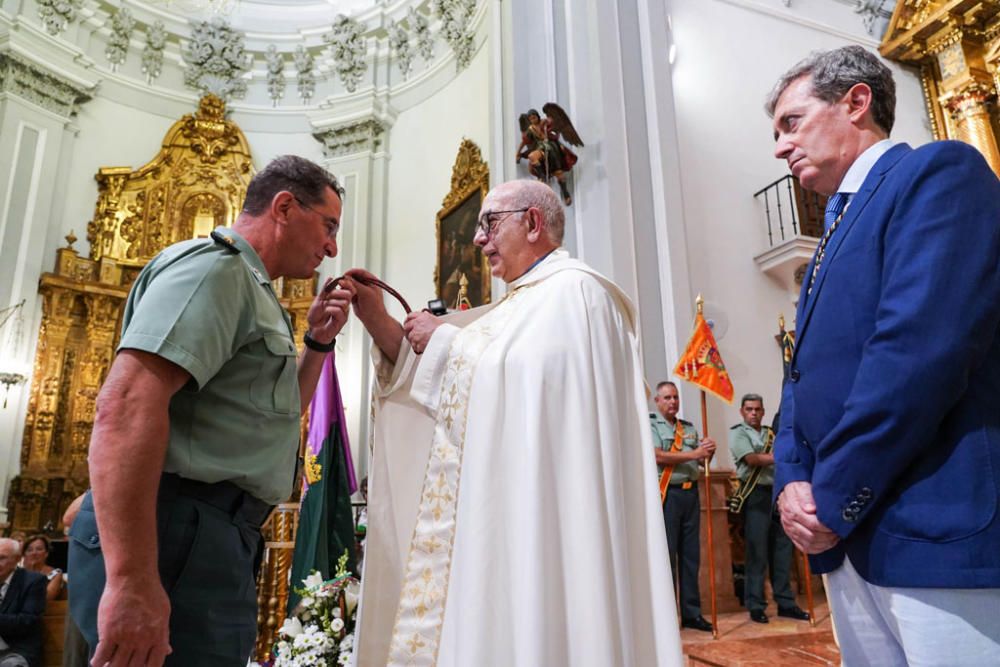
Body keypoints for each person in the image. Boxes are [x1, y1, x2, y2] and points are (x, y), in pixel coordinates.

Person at [345, 179, 682, 665]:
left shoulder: (579, 293)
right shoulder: (521, 304)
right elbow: (467, 375)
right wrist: (380, 318)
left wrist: (445, 341)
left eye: (489, 223)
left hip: (561, 517)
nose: (479, 240)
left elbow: (537, 384)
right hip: (516, 513)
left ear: (533, 223)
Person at [67, 155, 355, 666]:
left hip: (211, 535)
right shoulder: (215, 270)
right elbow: (127, 404)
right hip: (176, 530)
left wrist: (316, 343)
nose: (332, 246)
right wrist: (132, 581)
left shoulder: (250, 285)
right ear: (284, 207)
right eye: (328, 226)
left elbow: (276, 414)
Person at [767, 45, 1000, 664]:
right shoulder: (829, 238)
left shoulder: (939, 174)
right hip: (844, 540)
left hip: (934, 530)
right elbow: (800, 374)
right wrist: (791, 481)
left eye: (791, 122)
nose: (780, 147)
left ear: (857, 101)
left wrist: (833, 495)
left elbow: (919, 355)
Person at [728, 394, 808, 623]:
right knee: (757, 553)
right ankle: (756, 605)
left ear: (763, 412)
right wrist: (778, 456)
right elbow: (752, 459)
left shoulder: (771, 433)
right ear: (743, 412)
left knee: (782, 551)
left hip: (776, 493)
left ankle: (785, 602)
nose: (754, 413)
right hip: (755, 495)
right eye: (749, 409)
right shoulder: (738, 432)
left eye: (757, 409)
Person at [649, 380, 715, 632]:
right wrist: (695, 454)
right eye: (667, 397)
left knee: (690, 557)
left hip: (690, 494)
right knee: (668, 557)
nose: (673, 402)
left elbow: (698, 462)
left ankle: (692, 613)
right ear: (657, 401)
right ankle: (667, 616)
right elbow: (658, 456)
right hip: (668, 496)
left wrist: (707, 451)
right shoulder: (651, 425)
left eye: (675, 397)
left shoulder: (687, 429)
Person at [0, 538, 46, 667]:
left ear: (16, 559)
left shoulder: (33, 581)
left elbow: (28, 620)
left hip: (16, 650)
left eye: (2, 558)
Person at [20, 536, 62, 602]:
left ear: (46, 553)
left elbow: (47, 598)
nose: (34, 553)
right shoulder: (17, 572)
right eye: (29, 550)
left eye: (39, 549)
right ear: (24, 554)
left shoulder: (55, 573)